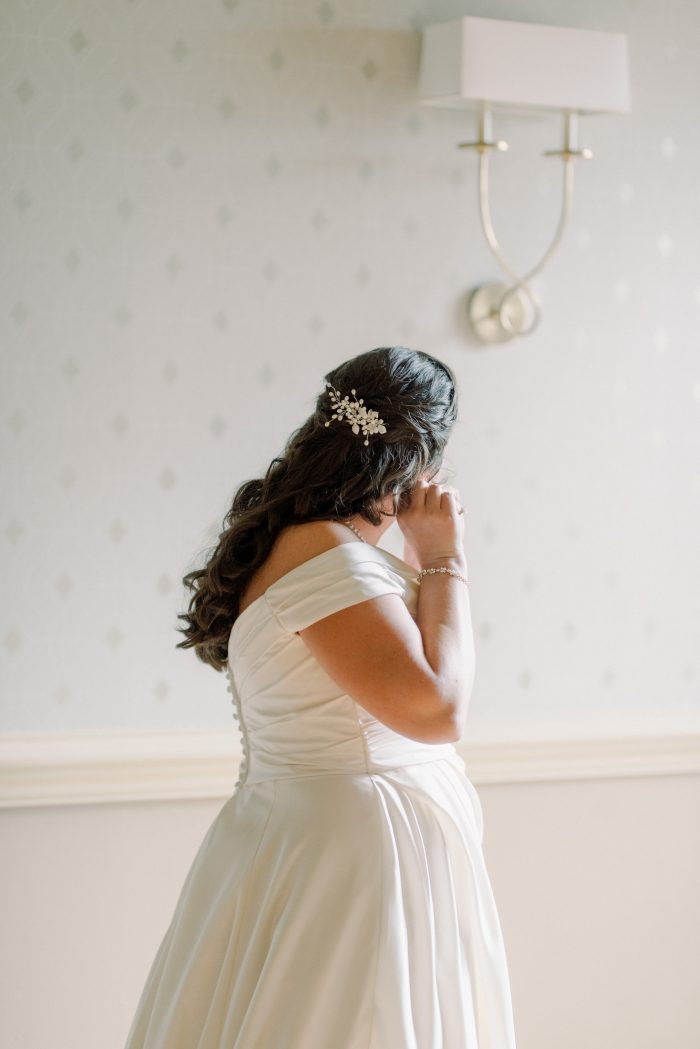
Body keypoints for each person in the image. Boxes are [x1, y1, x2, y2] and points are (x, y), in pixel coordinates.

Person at [123, 345, 518, 1048]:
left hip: (324, 841)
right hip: (351, 864)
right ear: (414, 458)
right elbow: (438, 709)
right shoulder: (327, 555)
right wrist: (446, 559)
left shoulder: (318, 547)